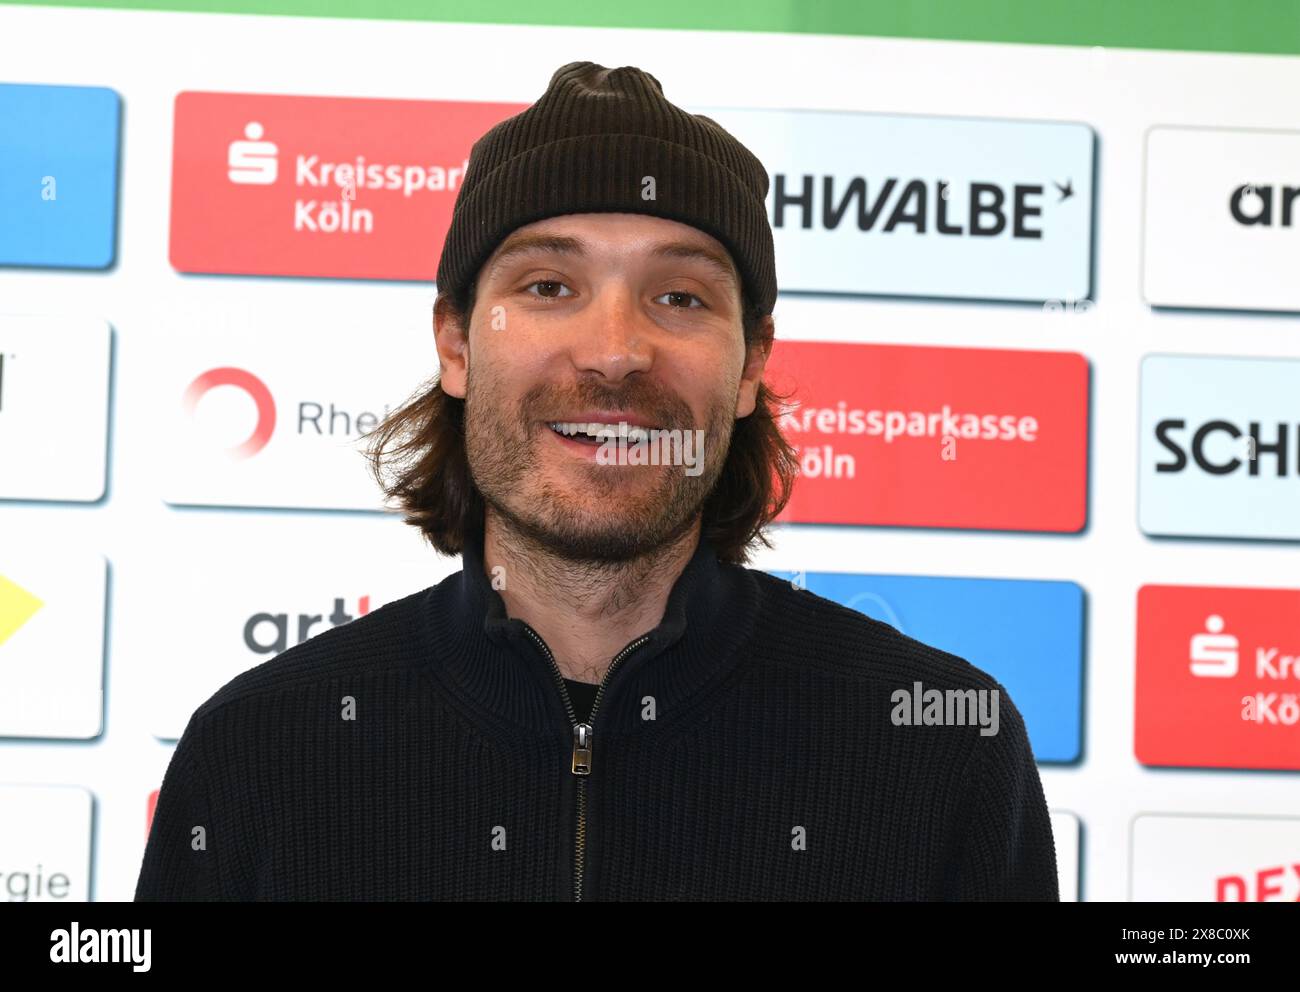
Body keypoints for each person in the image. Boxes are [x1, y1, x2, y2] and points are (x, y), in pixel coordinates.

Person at [135, 61, 1058, 901]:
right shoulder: (259, 751)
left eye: (680, 297)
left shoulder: (942, 753)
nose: (615, 352)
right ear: (456, 344)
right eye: (548, 287)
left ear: (748, 368)